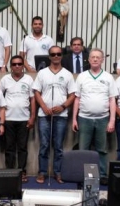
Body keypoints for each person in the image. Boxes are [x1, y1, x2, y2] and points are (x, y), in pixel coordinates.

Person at [72, 49, 118, 185]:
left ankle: (103, 175)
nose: (95, 59)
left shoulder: (108, 77)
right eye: (93, 57)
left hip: (103, 119)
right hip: (84, 118)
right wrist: (74, 119)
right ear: (89, 59)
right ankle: (82, 175)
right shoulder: (82, 76)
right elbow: (77, 99)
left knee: (102, 149)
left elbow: (112, 100)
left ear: (102, 60)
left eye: (98, 57)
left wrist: (112, 121)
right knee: (83, 149)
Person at [32, 45, 76, 184]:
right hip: (44, 114)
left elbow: (72, 94)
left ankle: (57, 172)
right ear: (49, 56)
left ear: (61, 56)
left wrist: (63, 106)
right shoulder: (42, 73)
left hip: (61, 115)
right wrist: (44, 107)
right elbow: (36, 92)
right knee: (44, 145)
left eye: (58, 54)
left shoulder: (68, 74)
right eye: (53, 54)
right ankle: (42, 172)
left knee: (58, 146)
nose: (56, 56)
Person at [0, 55, 36, 182]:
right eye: (14, 64)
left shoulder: (29, 79)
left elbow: (32, 99)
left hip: (24, 119)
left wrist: (32, 117)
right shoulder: (5, 79)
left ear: (23, 66)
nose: (17, 66)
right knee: (9, 148)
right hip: (8, 119)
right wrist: (1, 120)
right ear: (10, 67)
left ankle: (22, 172)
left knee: (22, 148)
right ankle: (10, 172)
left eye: (19, 64)